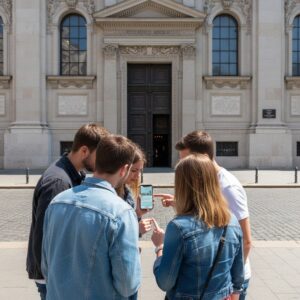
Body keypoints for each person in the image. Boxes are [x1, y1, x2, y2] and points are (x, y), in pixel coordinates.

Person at [41, 135, 141, 300]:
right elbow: (127, 284)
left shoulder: (57, 202)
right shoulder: (121, 212)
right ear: (124, 169)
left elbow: (46, 265)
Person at [157, 130, 252, 299]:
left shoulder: (178, 227)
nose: (181, 162)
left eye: (185, 160)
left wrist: (159, 248)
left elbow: (165, 281)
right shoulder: (231, 220)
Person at [26, 123, 109, 300]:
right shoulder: (58, 182)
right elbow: (47, 234)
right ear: (84, 151)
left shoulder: (73, 175)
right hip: (53, 276)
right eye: (99, 156)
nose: (101, 162)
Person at [116, 143, 153, 236]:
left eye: (140, 170)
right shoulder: (111, 194)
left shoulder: (125, 190)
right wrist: (136, 229)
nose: (138, 176)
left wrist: (138, 213)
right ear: (123, 168)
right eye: (133, 170)